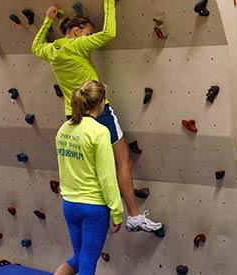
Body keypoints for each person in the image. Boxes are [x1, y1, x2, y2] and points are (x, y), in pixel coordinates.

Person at [32, 0, 161, 232]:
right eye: (86, 34)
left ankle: (109, 207)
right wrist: (109, 2)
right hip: (98, 112)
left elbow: (35, 47)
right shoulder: (77, 46)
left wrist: (47, 21)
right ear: (75, 32)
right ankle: (132, 214)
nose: (89, 38)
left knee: (93, 169)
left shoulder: (52, 50)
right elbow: (109, 33)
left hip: (74, 117)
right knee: (124, 162)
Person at [54, 80, 122, 275]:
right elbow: (107, 177)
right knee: (87, 263)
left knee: (78, 257)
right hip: (93, 207)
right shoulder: (100, 132)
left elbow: (63, 168)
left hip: (70, 204)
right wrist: (116, 210)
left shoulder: (64, 129)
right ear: (100, 102)